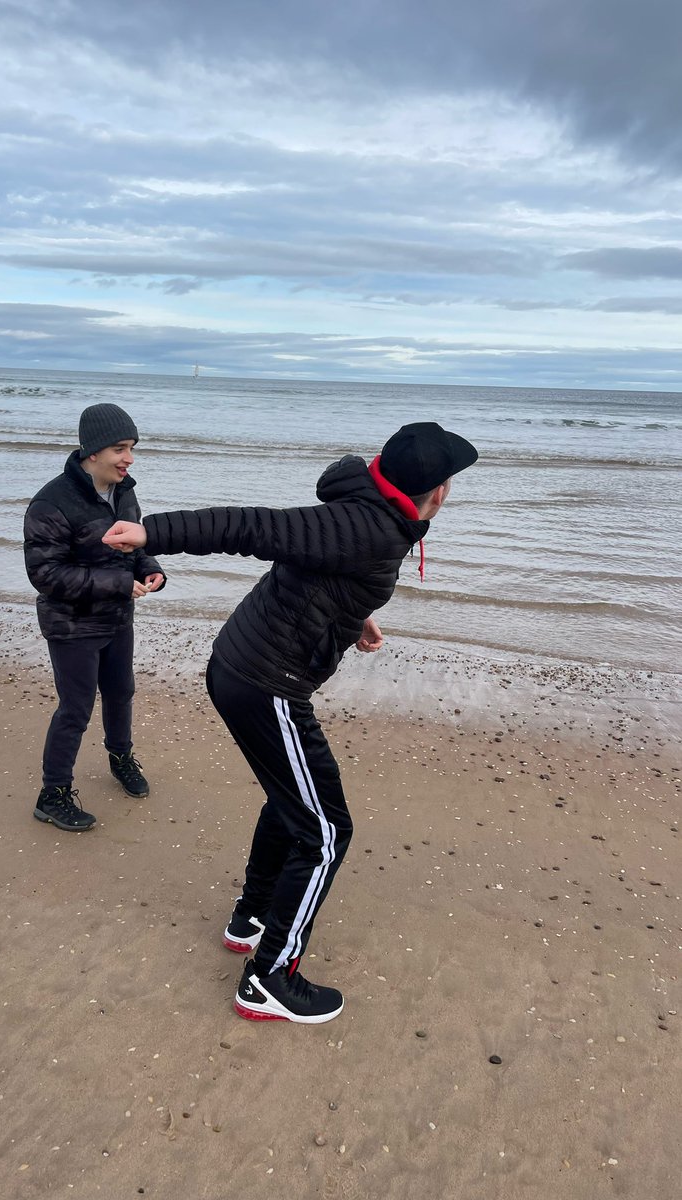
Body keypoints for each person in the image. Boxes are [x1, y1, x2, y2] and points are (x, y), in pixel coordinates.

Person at [103, 421, 477, 1023]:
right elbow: (251, 526)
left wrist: (354, 619)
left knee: (291, 803)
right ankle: (270, 977)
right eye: (451, 482)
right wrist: (152, 532)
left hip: (243, 665)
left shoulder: (374, 509)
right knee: (327, 832)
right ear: (435, 491)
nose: (452, 491)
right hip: (264, 683)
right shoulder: (365, 525)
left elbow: (322, 574)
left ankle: (252, 919)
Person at [24, 403, 166, 832]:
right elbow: (44, 575)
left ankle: (121, 759)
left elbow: (134, 544)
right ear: (92, 452)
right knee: (76, 708)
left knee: (122, 693)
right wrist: (117, 584)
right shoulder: (51, 503)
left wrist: (148, 569)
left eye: (132, 448)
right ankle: (52, 795)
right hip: (72, 625)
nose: (129, 458)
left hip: (117, 618)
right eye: (120, 449)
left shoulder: (125, 492)